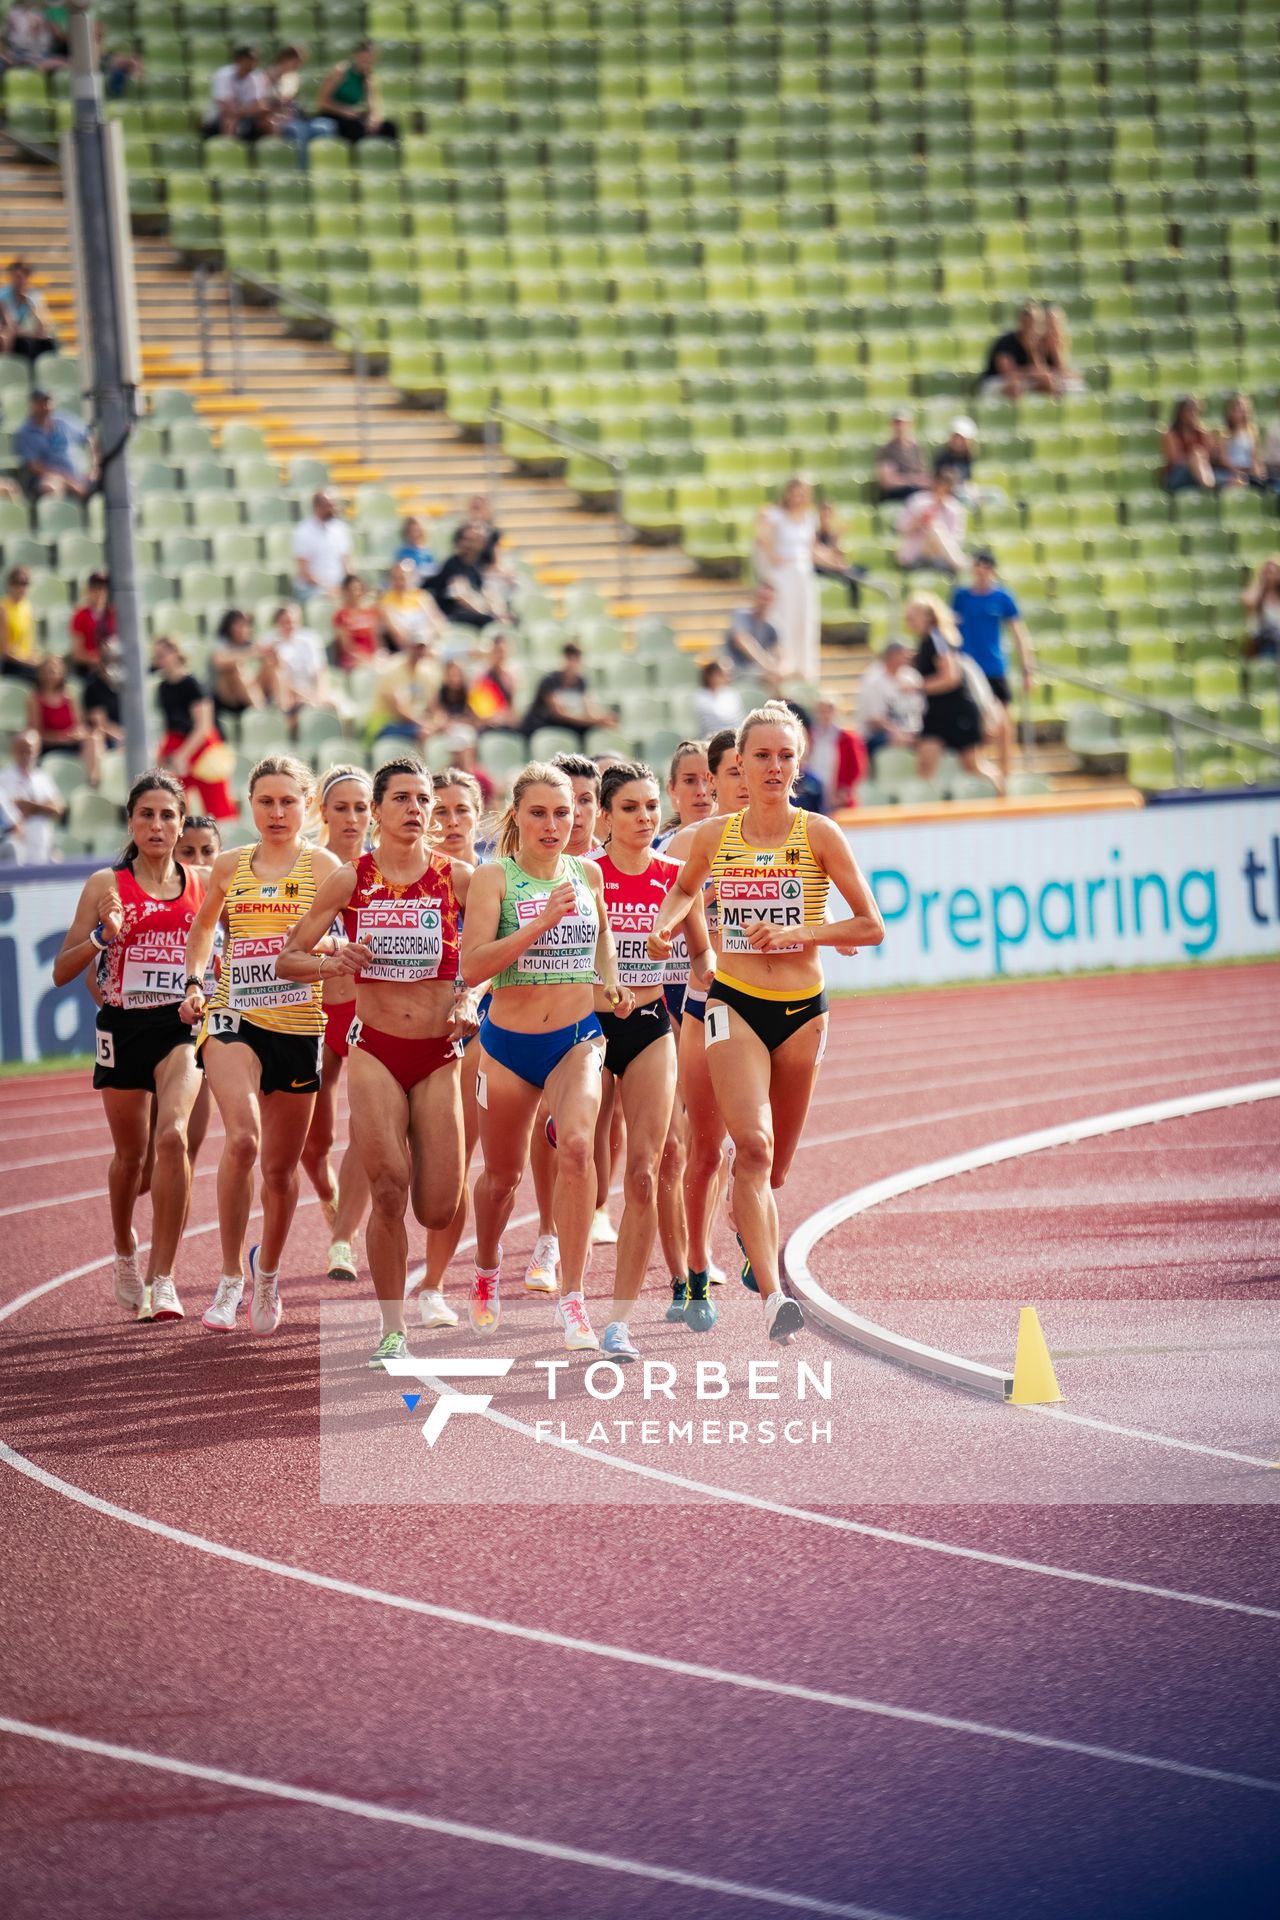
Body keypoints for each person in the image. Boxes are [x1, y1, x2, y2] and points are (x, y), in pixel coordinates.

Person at [650, 703, 884, 1344]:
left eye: (785, 756)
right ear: (740, 767)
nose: (774, 767)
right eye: (761, 757)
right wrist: (668, 925)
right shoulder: (713, 837)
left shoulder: (820, 835)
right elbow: (683, 887)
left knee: (774, 1168)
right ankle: (774, 1295)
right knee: (748, 1147)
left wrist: (802, 932)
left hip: (803, 1012)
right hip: (731, 1001)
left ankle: (750, 1224)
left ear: (799, 764)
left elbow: (870, 925)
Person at [278, 757, 476, 1368]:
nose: (418, 811)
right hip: (376, 1049)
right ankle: (392, 1330)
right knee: (389, 1189)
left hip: (441, 1052)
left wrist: (473, 993)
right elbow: (289, 957)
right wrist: (331, 962)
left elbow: (493, 958)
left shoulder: (462, 878)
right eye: (405, 800)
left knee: (437, 1206)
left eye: (427, 802)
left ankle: (430, 1253)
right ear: (379, 810)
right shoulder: (350, 880)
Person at [460, 761, 628, 1351]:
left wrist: (610, 982)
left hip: (577, 1038)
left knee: (578, 1147)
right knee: (501, 1179)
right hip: (507, 1048)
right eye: (540, 813)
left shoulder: (588, 873)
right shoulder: (495, 879)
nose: (554, 824)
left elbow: (604, 937)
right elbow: (473, 966)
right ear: (517, 817)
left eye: (564, 812)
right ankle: (485, 1272)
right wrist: (540, 922)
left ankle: (575, 1298)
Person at [179, 755, 341, 1336]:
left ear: (306, 807)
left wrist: (326, 958)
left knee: (279, 1170)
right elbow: (202, 930)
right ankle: (228, 1279)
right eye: (265, 801)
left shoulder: (324, 866)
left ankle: (266, 1271)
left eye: (288, 802)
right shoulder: (228, 865)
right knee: (243, 1140)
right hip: (233, 1016)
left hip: (298, 1026)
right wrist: (197, 981)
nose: (276, 812)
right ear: (250, 805)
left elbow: (343, 937)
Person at [51, 770, 209, 1321]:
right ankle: (124, 1249)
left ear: (181, 822)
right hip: (121, 1029)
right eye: (147, 814)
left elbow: (233, 950)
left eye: (168, 815)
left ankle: (163, 1278)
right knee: (130, 1157)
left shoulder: (203, 883)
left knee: (172, 1138)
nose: (158, 825)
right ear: (131, 822)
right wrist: (102, 937)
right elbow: (60, 971)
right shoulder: (106, 884)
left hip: (179, 1029)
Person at [589, 762, 711, 1362]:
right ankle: (563, 1281)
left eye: (650, 807)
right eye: (629, 808)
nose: (643, 818)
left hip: (650, 1027)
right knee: (580, 1161)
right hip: (585, 1027)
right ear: (605, 816)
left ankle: (617, 1322)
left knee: (643, 1170)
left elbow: (705, 961)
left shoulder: (676, 878)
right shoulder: (586, 875)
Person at [657, 727, 750, 1325]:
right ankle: (694, 1266)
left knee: (757, 1146)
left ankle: (748, 1227)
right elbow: (660, 928)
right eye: (737, 770)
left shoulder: (794, 836)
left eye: (760, 765)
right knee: (694, 1147)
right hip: (689, 1005)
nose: (750, 779)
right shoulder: (685, 847)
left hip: (764, 1006)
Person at [412, 768, 489, 1328]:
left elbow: (493, 959)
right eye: (440, 811)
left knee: (455, 1161)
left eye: (462, 811)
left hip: (476, 1032)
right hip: (403, 1034)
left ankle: (434, 1285)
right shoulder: (398, 881)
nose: (451, 822)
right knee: (394, 1166)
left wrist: (469, 995)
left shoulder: (491, 882)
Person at [298, 765, 374, 1286]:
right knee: (312, 1140)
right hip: (313, 1011)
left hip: (368, 1009)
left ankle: (343, 1237)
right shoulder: (306, 867)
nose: (351, 818)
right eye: (341, 807)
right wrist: (328, 948)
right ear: (321, 812)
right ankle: (330, 1199)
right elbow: (289, 941)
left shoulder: (388, 866)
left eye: (360, 807)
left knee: (366, 1126)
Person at [952, 550, 1035, 785]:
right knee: (979, 724)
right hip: (969, 669)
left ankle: (1006, 772)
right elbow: (952, 626)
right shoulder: (962, 597)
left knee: (1003, 722)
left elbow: (1018, 633)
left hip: (994, 667)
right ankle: (987, 775)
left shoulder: (1002, 598)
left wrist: (1027, 668)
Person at [906, 592, 1000, 790]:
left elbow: (951, 678)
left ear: (927, 616)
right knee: (925, 765)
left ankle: (1002, 794)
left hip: (957, 712)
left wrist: (918, 686)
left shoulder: (937, 639)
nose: (909, 621)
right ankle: (926, 811)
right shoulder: (925, 642)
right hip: (935, 714)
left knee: (973, 766)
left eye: (912, 615)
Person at [153, 635, 237, 820]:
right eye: (157, 656)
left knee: (218, 806)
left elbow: (203, 726)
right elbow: (169, 725)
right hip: (177, 746)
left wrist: (183, 754)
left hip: (201, 748)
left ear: (176, 653)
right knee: (175, 804)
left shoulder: (193, 684)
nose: (159, 660)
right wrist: (164, 754)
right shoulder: (163, 688)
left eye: (162, 655)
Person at [754, 477, 819, 685]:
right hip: (783, 575)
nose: (797, 497)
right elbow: (763, 538)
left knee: (804, 620)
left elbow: (812, 549)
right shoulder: (774, 515)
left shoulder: (809, 517)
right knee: (783, 619)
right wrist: (774, 555)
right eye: (794, 491)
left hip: (804, 575)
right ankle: (783, 665)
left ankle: (803, 668)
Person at [521, 642, 618, 744]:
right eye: (570, 658)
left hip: (566, 725)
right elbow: (559, 714)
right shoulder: (550, 680)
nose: (572, 663)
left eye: (576, 659)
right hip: (543, 725)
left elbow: (589, 709)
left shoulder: (581, 681)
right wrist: (595, 721)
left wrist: (603, 718)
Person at [28, 654, 100, 787]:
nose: (50, 675)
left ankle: (92, 782)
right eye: (47, 671)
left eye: (54, 671)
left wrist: (79, 734)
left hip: (70, 742)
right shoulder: (34, 699)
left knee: (94, 738)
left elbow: (78, 725)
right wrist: (60, 738)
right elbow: (36, 733)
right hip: (49, 745)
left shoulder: (69, 696)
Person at [13, 387, 94, 500]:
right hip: (49, 477)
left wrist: (94, 468)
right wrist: (66, 480)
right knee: (50, 486)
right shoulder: (25, 432)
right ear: (34, 404)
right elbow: (34, 466)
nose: (46, 405)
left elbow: (90, 437)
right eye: (41, 402)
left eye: (48, 401)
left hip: (78, 476)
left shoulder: (64, 422)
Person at [313, 42, 397, 145]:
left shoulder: (368, 77)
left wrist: (373, 119)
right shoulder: (341, 71)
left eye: (370, 59)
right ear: (356, 56)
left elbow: (373, 104)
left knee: (390, 127)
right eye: (364, 58)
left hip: (352, 116)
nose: (367, 62)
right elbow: (322, 102)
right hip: (333, 115)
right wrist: (345, 112)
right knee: (356, 127)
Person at [0, 728, 63, 863]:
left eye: (28, 750)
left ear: (37, 751)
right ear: (13, 750)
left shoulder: (42, 778)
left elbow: (58, 808)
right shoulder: (3, 778)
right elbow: (9, 819)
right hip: (16, 849)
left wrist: (30, 806)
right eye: (20, 750)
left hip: (42, 844)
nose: (25, 755)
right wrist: (43, 808)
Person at [855, 639, 923, 762]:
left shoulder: (912, 676)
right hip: (879, 735)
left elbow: (920, 710)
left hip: (911, 731)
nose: (908, 657)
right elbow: (875, 720)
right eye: (904, 654)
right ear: (891, 655)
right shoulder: (873, 679)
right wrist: (899, 734)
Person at [368, 634, 438, 752]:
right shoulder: (393, 670)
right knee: (424, 733)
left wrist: (436, 722)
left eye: (422, 647)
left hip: (413, 723)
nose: (419, 651)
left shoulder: (427, 672)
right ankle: (420, 768)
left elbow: (433, 705)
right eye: (416, 647)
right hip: (386, 724)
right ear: (408, 647)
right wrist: (424, 724)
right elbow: (400, 710)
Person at [263, 603, 335, 718]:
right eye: (284, 622)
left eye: (293, 621)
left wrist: (318, 697)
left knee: (333, 707)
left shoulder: (311, 639)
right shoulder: (269, 641)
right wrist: (302, 696)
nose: (289, 626)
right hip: (286, 695)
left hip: (311, 691)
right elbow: (277, 676)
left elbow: (320, 671)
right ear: (276, 623)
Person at [428, 523, 502, 631]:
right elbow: (460, 597)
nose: (469, 544)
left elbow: (485, 592)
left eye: (475, 540)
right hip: (452, 614)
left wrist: (498, 611)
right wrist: (485, 612)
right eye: (466, 539)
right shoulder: (452, 564)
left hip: (470, 611)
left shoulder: (475, 566)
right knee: (488, 620)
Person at [721, 582, 788, 695]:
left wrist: (781, 669)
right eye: (762, 597)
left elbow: (781, 653)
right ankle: (778, 709)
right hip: (736, 670)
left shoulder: (772, 625)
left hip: (757, 671)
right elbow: (742, 641)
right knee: (772, 679)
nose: (765, 602)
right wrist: (767, 666)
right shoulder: (741, 613)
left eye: (769, 599)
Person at [896, 471, 967, 575]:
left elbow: (956, 540)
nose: (940, 491)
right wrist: (918, 522)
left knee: (936, 528)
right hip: (917, 555)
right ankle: (960, 563)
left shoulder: (955, 508)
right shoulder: (917, 501)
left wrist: (936, 543)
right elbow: (901, 529)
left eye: (945, 489)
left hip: (941, 557)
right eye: (939, 486)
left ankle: (958, 562)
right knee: (934, 527)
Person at [979, 302, 1055, 400]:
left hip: (1024, 381)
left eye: (1034, 322)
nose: (1030, 325)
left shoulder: (1039, 343)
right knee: (1014, 385)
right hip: (996, 382)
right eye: (1026, 321)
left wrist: (1032, 352)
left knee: (1048, 382)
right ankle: (1011, 415)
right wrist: (1032, 373)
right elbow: (1008, 373)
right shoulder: (1006, 341)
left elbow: (1043, 372)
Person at [805, 698, 867, 812]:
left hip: (839, 797)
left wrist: (844, 790)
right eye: (821, 711)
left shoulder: (848, 738)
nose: (824, 715)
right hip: (813, 794)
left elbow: (856, 767)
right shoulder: (809, 736)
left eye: (828, 710)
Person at [292, 490, 352, 602]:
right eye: (330, 506)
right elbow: (304, 571)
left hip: (338, 587)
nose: (334, 509)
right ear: (318, 507)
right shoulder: (304, 531)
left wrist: (350, 584)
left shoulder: (340, 529)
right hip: (312, 589)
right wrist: (327, 588)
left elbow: (346, 562)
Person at [210, 608, 264, 734]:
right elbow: (219, 661)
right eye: (238, 624)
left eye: (246, 624)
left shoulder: (251, 644)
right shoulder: (221, 643)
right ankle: (260, 713)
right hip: (226, 698)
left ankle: (280, 712)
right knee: (234, 668)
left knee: (273, 669)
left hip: (250, 693)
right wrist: (251, 653)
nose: (243, 628)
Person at [202, 45, 272, 140]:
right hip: (218, 118)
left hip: (247, 116)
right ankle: (228, 151)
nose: (252, 63)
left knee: (268, 123)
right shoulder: (222, 75)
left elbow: (261, 106)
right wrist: (248, 110)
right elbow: (224, 108)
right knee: (230, 122)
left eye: (254, 60)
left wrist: (242, 112)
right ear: (238, 60)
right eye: (248, 60)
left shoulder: (257, 76)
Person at [379, 556, 445, 652]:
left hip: (430, 645)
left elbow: (439, 624)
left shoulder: (423, 596)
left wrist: (430, 637)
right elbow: (400, 638)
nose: (401, 582)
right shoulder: (385, 602)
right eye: (397, 578)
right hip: (408, 651)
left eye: (404, 577)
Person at [0, 257, 56, 365]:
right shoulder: (3, 295)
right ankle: (6, 368)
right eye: (16, 277)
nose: (19, 281)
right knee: (10, 338)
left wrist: (31, 304)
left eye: (22, 277)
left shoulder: (34, 295)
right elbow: (11, 326)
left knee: (47, 343)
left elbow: (43, 326)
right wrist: (30, 333)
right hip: (10, 332)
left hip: (25, 333)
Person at [1160, 396, 1216, 493]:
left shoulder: (1201, 433)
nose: (1193, 415)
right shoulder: (1172, 434)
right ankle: (1208, 486)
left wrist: (1199, 457)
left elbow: (1211, 456)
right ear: (1180, 414)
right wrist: (1193, 460)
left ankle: (1208, 484)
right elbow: (1175, 460)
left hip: (1200, 473)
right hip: (1177, 475)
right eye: (1189, 411)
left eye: (1195, 412)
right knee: (1196, 455)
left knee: (1234, 480)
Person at [82, 635, 125, 758]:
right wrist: (123, 737)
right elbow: (100, 725)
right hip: (109, 740)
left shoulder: (126, 685)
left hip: (127, 734)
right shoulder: (92, 688)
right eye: (108, 660)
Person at [1212, 393, 1267, 489]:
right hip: (1229, 472)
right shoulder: (1223, 433)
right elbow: (1223, 459)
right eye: (1236, 409)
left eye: (1242, 409)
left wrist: (1258, 470)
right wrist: (1237, 471)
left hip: (1248, 471)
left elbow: (1254, 457)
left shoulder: (1253, 433)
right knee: (1236, 482)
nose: (1239, 413)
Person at [468, 631, 519, 731]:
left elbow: (514, 707)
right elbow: (477, 706)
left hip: (506, 723)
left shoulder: (512, 677)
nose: (501, 655)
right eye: (498, 651)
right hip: (486, 723)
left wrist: (505, 718)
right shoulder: (482, 676)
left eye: (504, 651)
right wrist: (489, 718)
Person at [68, 570, 115, 678]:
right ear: (89, 590)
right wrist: (99, 659)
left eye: (104, 588)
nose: (100, 592)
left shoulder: (114, 614)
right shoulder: (80, 616)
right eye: (96, 588)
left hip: (111, 666)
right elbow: (77, 654)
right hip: (89, 669)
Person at [875, 409, 929, 502]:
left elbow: (924, 477)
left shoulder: (916, 448)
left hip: (915, 491)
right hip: (897, 493)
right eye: (897, 423)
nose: (900, 427)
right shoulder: (886, 450)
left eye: (903, 423)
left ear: (910, 425)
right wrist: (912, 479)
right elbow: (887, 482)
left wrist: (904, 479)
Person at [332, 574, 380, 670]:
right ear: (345, 591)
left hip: (372, 658)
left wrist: (376, 655)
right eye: (352, 589)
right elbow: (346, 647)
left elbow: (376, 639)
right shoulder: (341, 615)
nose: (356, 593)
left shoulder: (369, 612)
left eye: (359, 589)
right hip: (352, 660)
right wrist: (366, 659)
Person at [0, 565, 38, 682]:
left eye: (25, 583)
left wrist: (36, 659)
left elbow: (29, 646)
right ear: (10, 585)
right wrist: (27, 661)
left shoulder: (27, 607)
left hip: (24, 663)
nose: (21, 587)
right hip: (9, 665)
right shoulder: (3, 608)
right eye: (17, 583)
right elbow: (4, 651)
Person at [1039, 305, 1083, 395]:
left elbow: (1061, 368)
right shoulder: (1036, 340)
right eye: (1049, 323)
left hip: (1054, 376)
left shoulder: (1062, 340)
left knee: (1077, 379)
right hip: (1038, 376)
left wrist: (1056, 350)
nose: (1053, 327)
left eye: (1055, 323)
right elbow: (1039, 369)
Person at [1243, 557, 1280, 661]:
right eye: (1267, 572)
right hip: (1263, 641)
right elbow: (1250, 602)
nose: (1270, 576)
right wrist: (1263, 584)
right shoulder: (1256, 592)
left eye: (1274, 572)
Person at [695, 659, 743, 735]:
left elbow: (737, 719)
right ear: (711, 675)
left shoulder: (731, 693)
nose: (727, 677)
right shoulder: (700, 696)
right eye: (721, 674)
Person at [933, 417, 978, 491]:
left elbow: (968, 479)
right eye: (956, 437)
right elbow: (940, 481)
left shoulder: (967, 456)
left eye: (961, 438)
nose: (958, 441)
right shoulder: (943, 456)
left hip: (964, 489)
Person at [393, 515, 434, 584]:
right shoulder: (402, 552)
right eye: (411, 531)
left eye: (417, 531)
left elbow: (432, 571)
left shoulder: (427, 553)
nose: (414, 534)